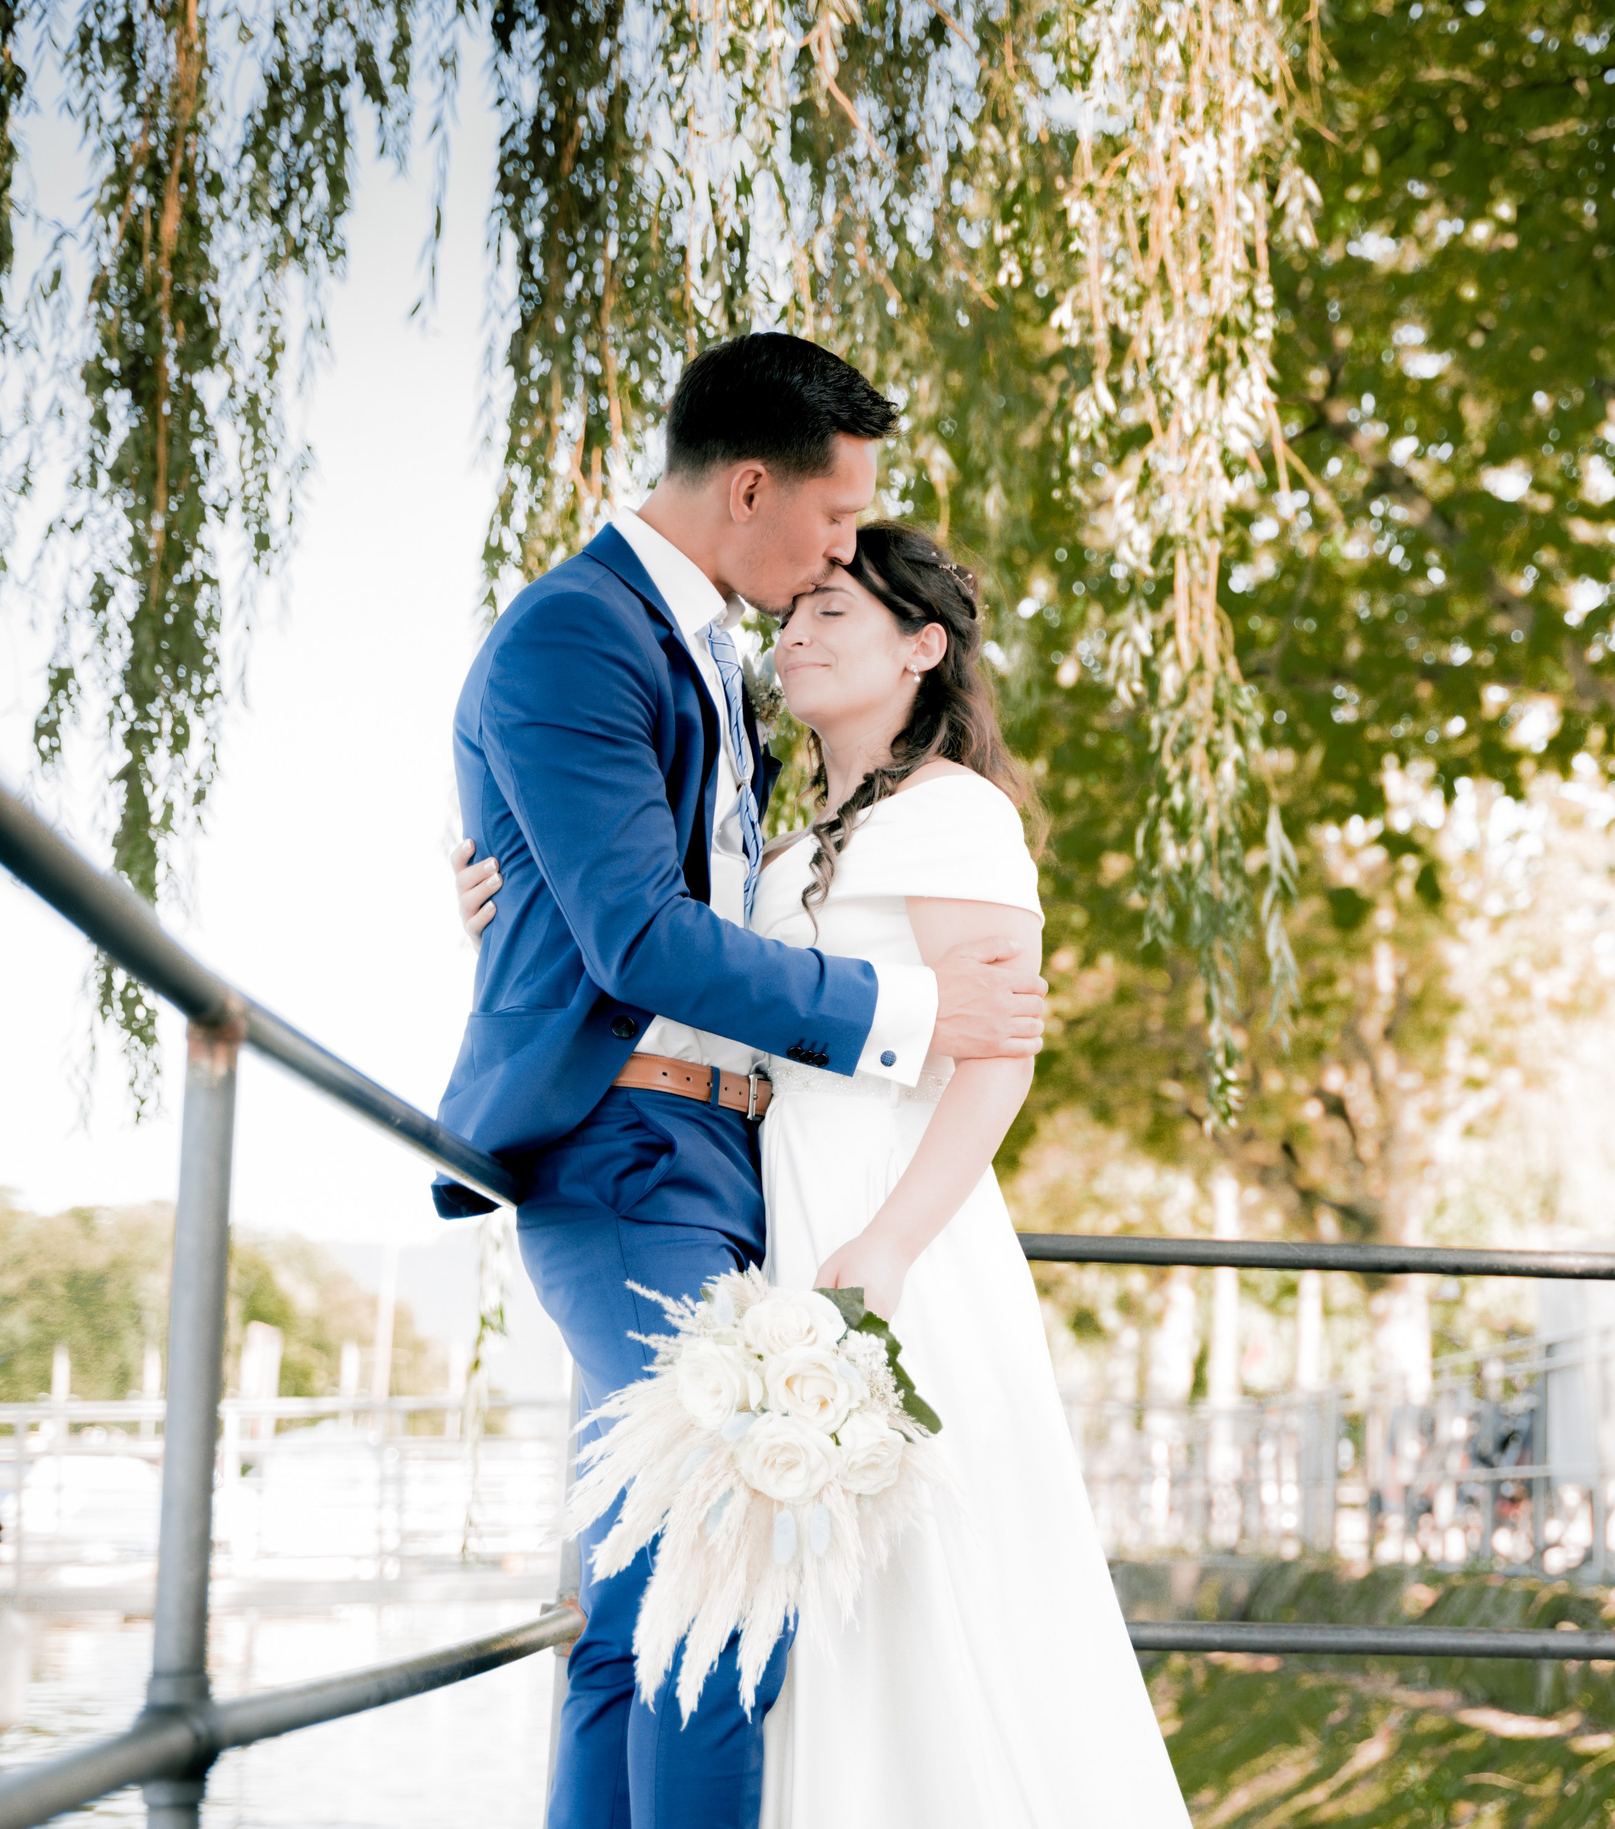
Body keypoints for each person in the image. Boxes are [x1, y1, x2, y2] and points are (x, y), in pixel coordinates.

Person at [457, 522, 1191, 1827]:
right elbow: (677, 961)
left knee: (915, 1572)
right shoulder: (783, 847)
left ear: (925, 646)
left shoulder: (957, 815)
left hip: (887, 1225)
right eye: (790, 614)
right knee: (784, 1579)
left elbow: (997, 1059)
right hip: (773, 1214)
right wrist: (511, 893)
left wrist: (898, 1240)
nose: (792, 633)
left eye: (832, 614)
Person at [433, 332, 1047, 1829]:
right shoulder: (581, 633)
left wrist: (515, 889)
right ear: (757, 486)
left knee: (649, 1609)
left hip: (717, 1165)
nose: (845, 548)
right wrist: (906, 1009)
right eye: (837, 520)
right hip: (631, 1152)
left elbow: (637, 889)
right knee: (717, 1601)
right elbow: (640, 933)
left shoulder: (704, 649)